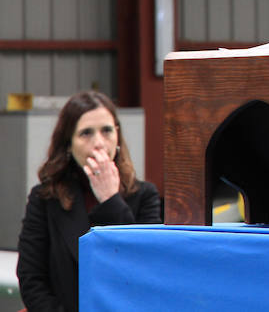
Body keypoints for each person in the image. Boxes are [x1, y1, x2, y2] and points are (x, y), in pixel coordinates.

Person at [16, 91, 161, 311]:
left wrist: (110, 200)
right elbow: (31, 279)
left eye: (106, 131)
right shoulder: (45, 198)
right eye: (86, 133)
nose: (99, 143)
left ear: (118, 135)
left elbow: (143, 269)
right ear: (68, 143)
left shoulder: (145, 196)